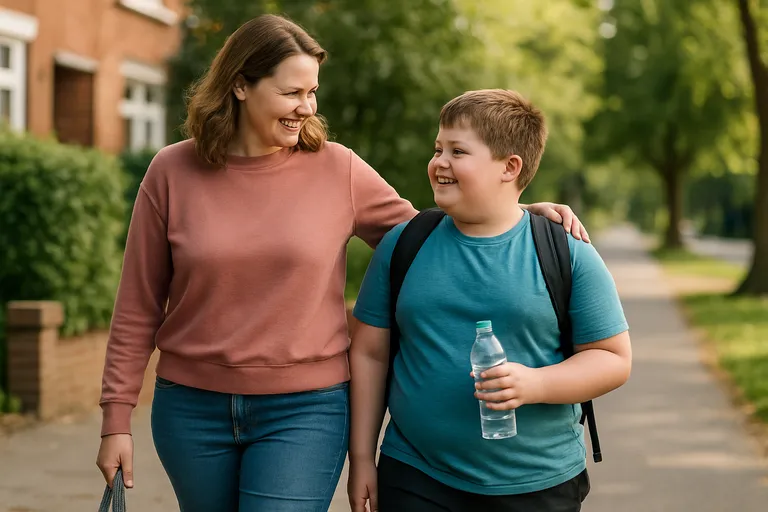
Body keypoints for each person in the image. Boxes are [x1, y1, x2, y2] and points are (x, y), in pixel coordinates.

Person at [95, 14, 589, 512]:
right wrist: (116, 420)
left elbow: (429, 235)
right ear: (241, 85)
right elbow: (137, 305)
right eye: (293, 93)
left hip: (305, 409)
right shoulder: (172, 171)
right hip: (190, 408)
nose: (307, 108)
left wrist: (515, 211)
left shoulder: (338, 168)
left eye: (313, 93)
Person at [348, 89, 632, 512]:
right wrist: (361, 460)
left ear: (509, 167)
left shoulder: (566, 251)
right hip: (416, 476)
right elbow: (369, 354)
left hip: (539, 482)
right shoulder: (403, 244)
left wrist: (536, 383)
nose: (439, 162)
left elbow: (613, 358)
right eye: (438, 148)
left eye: (458, 151)